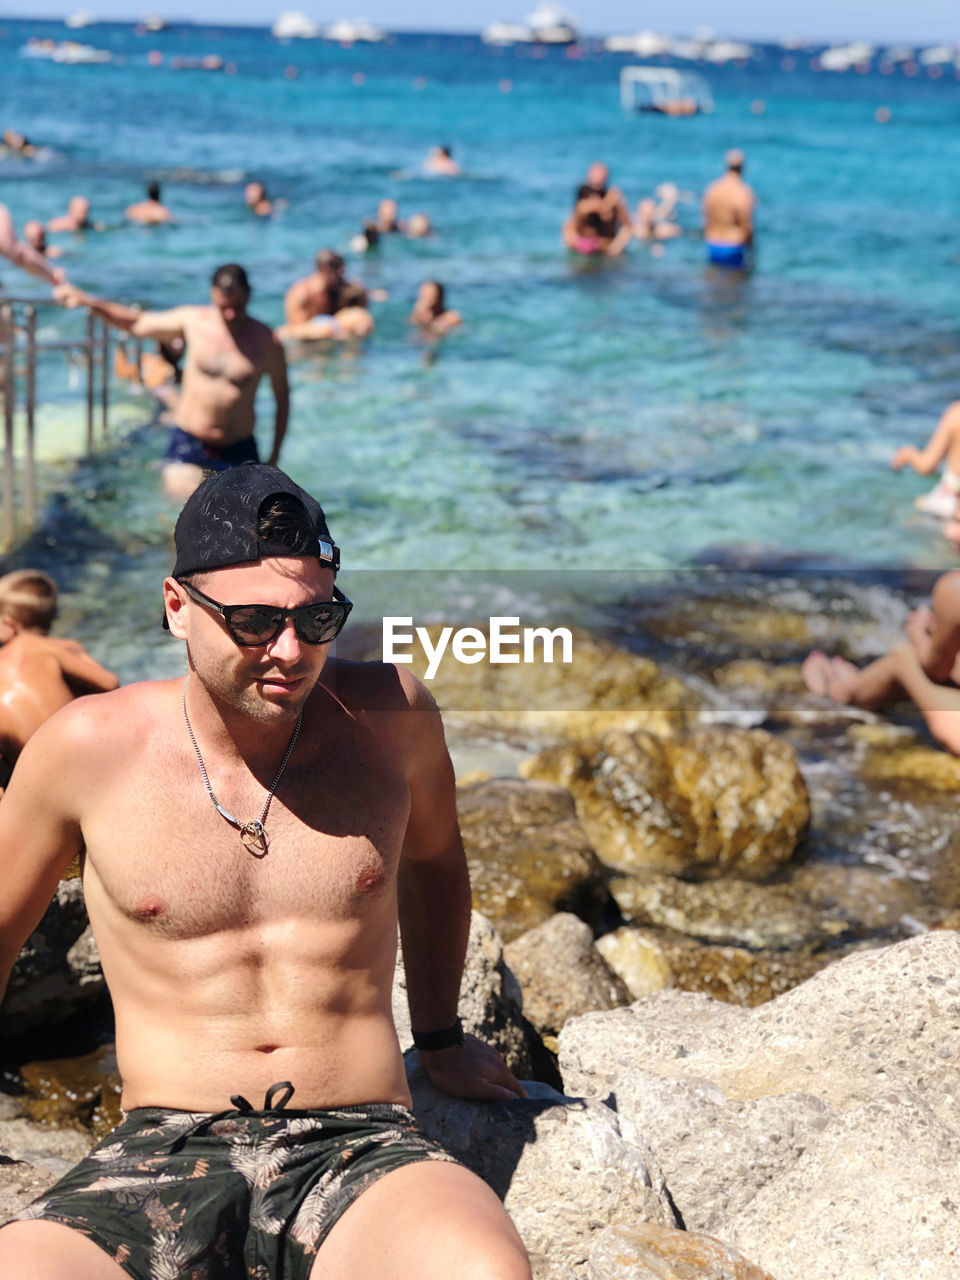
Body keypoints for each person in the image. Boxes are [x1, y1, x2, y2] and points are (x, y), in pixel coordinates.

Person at [0, 464, 531, 1279]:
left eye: (318, 618)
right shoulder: (85, 750)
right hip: (159, 1152)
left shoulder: (393, 721)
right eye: (252, 620)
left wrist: (442, 1039)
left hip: (360, 1150)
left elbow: (435, 865)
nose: (290, 651)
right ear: (177, 607)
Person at [54, 263, 289, 500]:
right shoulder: (193, 322)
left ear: (248, 295)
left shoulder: (267, 342)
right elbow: (136, 323)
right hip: (190, 444)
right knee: (185, 515)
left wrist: (274, 457)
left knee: (246, 526)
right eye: (223, 307)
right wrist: (88, 301)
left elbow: (282, 399)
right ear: (212, 296)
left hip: (240, 448)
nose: (230, 314)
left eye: (237, 307)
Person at [802, 570, 960, 754]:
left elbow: (936, 668)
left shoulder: (953, 588)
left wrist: (917, 633)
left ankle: (839, 691)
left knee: (903, 657)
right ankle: (846, 690)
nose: (949, 538)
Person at [0, 569, 117, 792]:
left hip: (40, 784)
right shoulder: (62, 648)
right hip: (85, 761)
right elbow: (110, 683)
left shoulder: (23, 647)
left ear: (10, 623)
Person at [892, 401, 960, 522]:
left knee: (913, 510)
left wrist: (908, 454)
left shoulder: (955, 413)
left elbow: (926, 466)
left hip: (952, 498)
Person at [702, 149, 755, 269]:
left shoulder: (713, 189)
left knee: (714, 283)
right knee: (736, 285)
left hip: (713, 244)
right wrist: (752, 249)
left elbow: (706, 218)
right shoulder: (742, 192)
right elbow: (747, 224)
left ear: (726, 166)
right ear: (742, 167)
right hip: (733, 247)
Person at [0, 203, 64, 284]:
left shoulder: (52, 251)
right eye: (32, 239)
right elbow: (17, 253)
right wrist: (52, 274)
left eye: (38, 238)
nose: (36, 241)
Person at [284, 249, 347, 327]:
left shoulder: (335, 289)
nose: (342, 275)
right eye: (339, 270)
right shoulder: (302, 294)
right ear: (326, 269)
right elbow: (297, 330)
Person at [562, 188, 632, 257]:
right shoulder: (581, 208)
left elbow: (628, 227)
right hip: (589, 248)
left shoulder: (612, 206)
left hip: (595, 249)